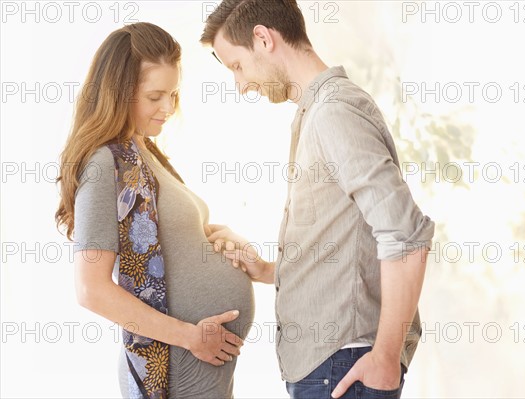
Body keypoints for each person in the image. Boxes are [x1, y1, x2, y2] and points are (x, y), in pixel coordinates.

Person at [200, 1, 435, 398]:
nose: (240, 85)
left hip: (344, 365)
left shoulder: (333, 113)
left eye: (237, 66)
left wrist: (385, 357)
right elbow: (349, 250)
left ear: (263, 38)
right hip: (330, 366)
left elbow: (407, 235)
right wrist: (270, 269)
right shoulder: (314, 113)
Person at [55, 22, 254, 398]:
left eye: (173, 94)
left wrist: (213, 239)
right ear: (118, 93)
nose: (168, 108)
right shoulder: (104, 163)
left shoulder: (144, 153)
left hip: (197, 376)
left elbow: (169, 243)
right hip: (175, 370)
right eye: (155, 96)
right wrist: (192, 337)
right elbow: (90, 289)